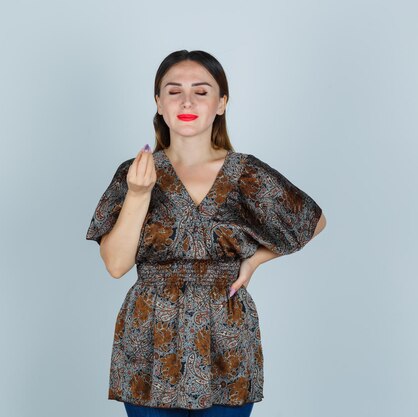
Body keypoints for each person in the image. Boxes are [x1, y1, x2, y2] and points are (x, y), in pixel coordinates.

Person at [85, 50, 327, 417]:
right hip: (151, 337)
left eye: (201, 91)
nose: (186, 101)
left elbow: (313, 220)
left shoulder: (246, 174)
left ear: (221, 103)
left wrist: (255, 261)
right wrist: (137, 194)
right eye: (173, 91)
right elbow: (116, 265)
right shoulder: (134, 173)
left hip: (226, 336)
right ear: (159, 103)